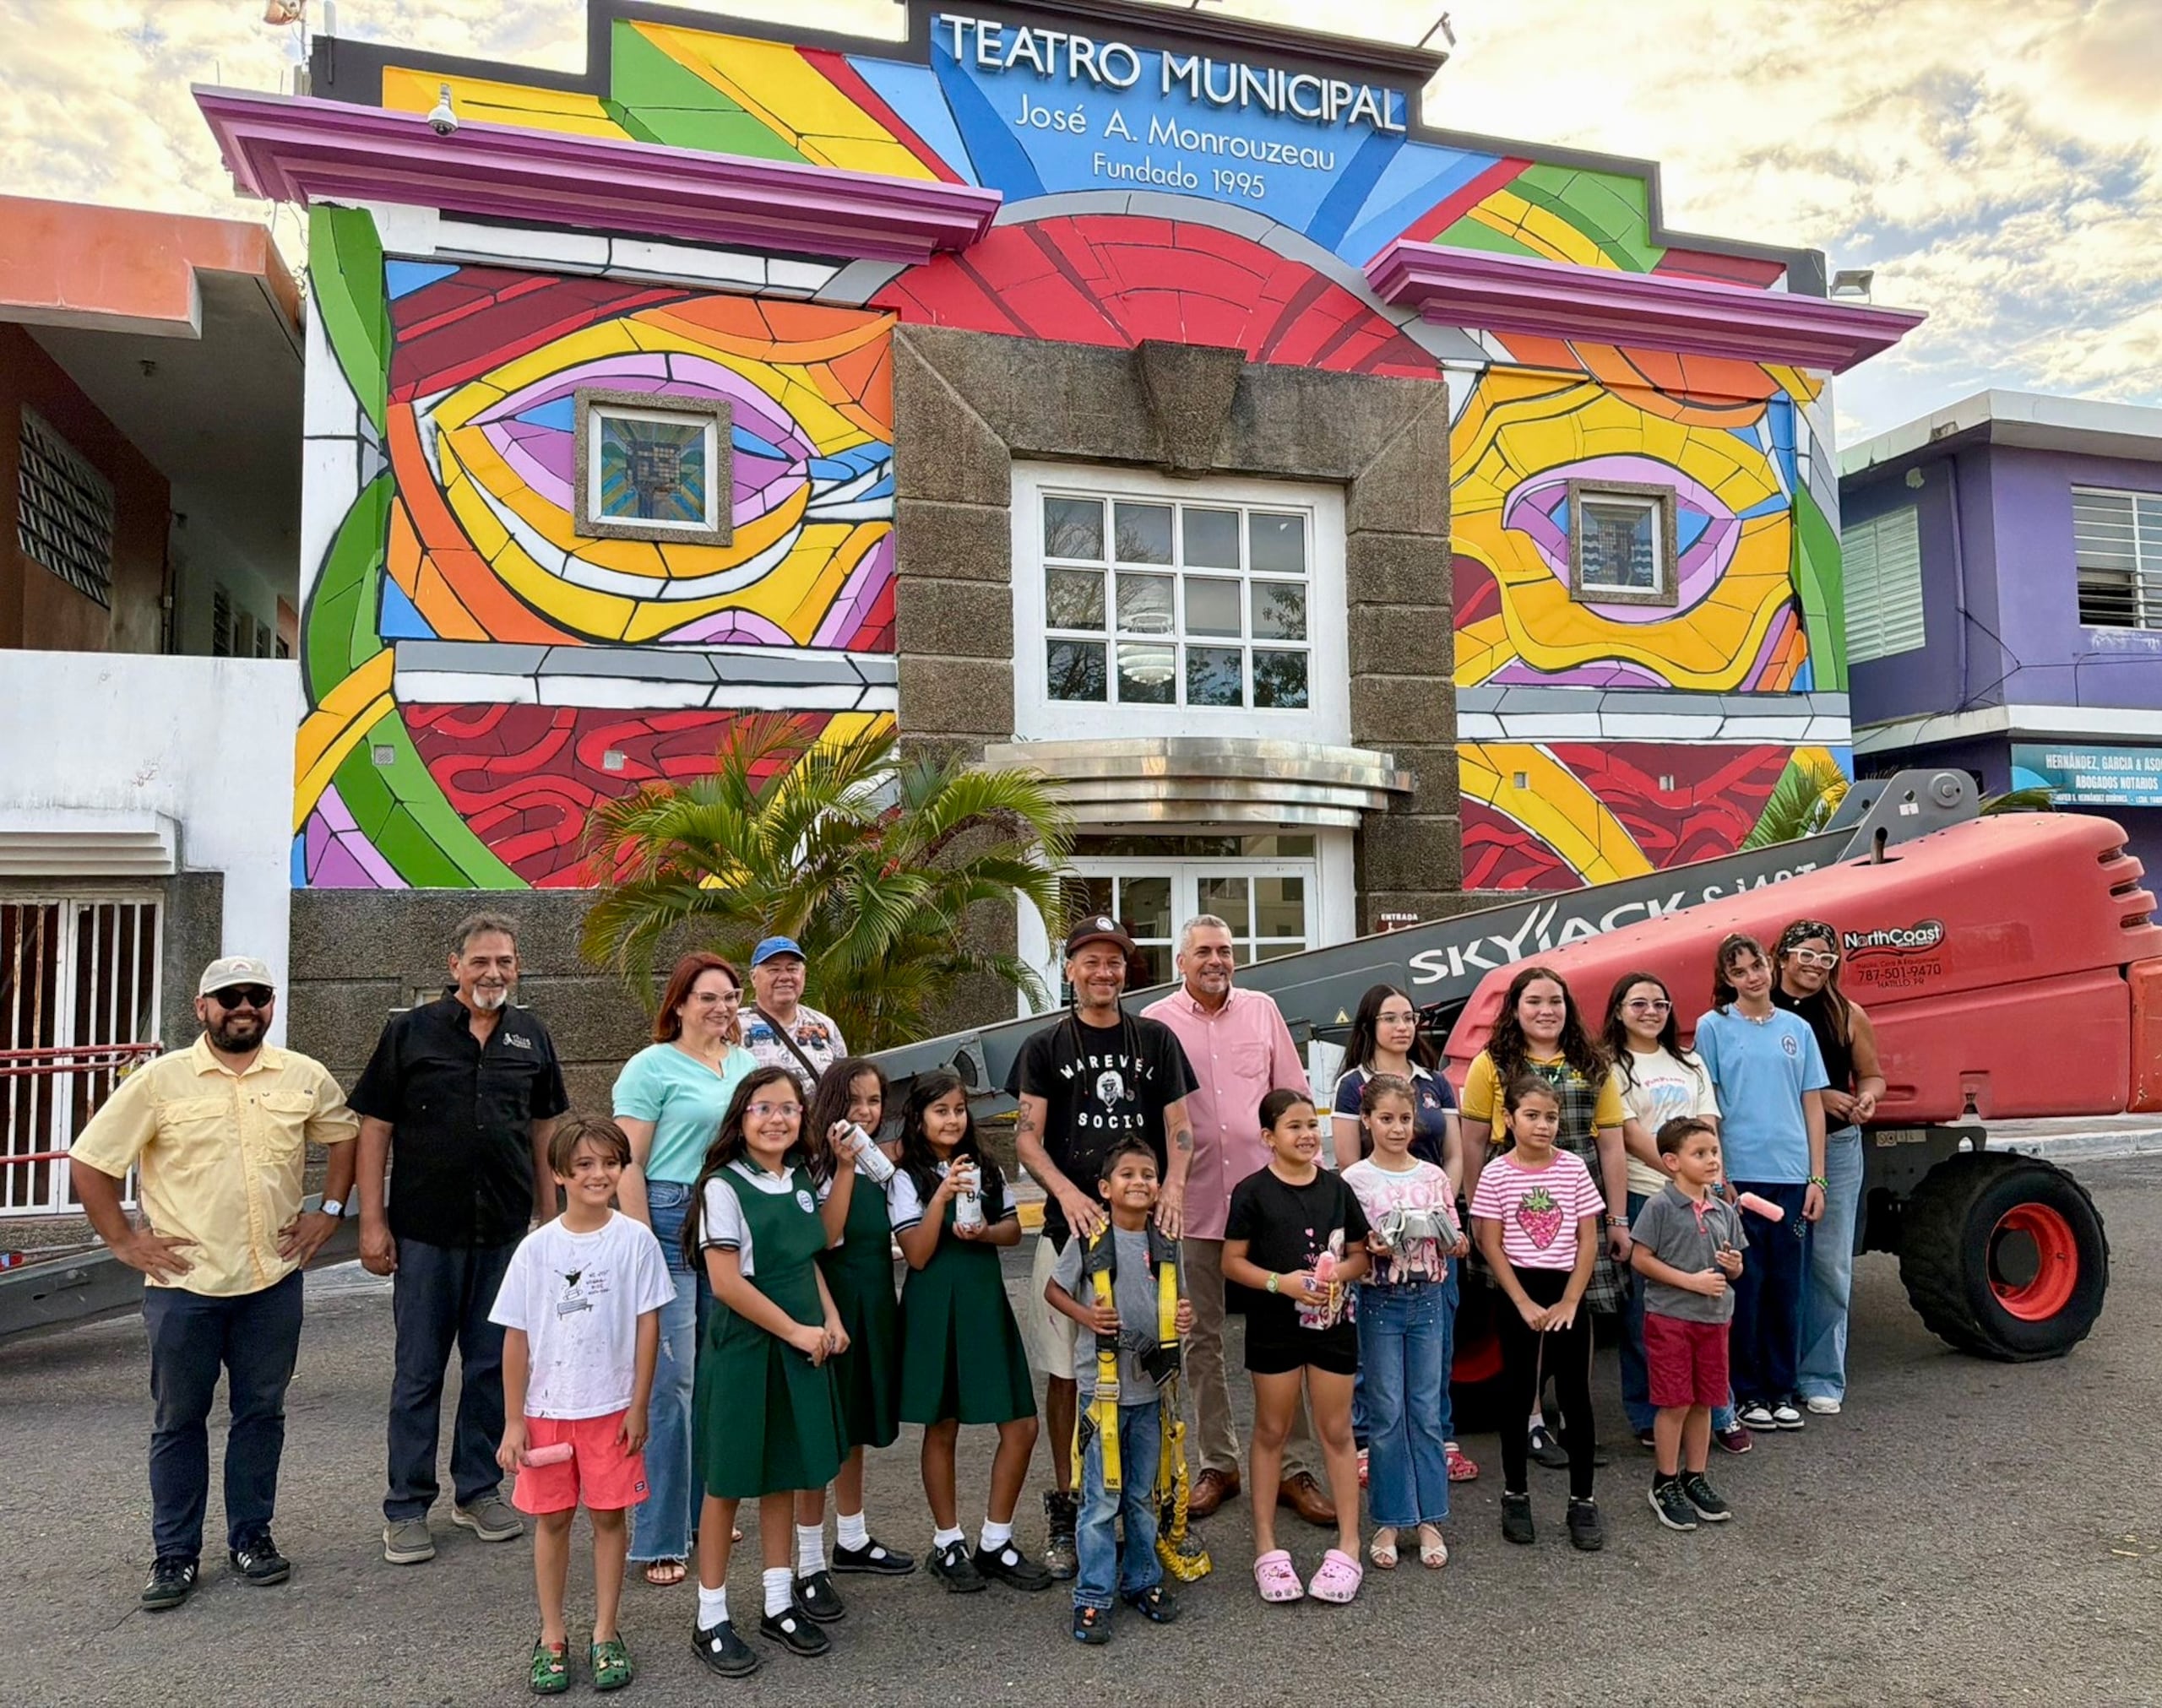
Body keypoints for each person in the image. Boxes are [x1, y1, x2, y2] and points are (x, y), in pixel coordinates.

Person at [68, 954, 357, 1612]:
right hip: (184, 1286)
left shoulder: (302, 1075)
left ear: (272, 1004)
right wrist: (122, 1241)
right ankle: (174, 1553)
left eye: (257, 995)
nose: (244, 1006)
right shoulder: (160, 1082)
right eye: (229, 996)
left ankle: (252, 1536)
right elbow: (91, 1160)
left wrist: (329, 1212)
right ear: (203, 1007)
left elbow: (345, 1134)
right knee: (179, 1420)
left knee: (262, 1414)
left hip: (271, 1281)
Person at [354, 915, 568, 1566]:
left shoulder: (531, 1037)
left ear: (517, 965)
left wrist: (552, 1222)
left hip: (503, 1235)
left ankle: (478, 1489)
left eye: (504, 961)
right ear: (455, 965)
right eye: (480, 961)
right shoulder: (409, 1033)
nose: (492, 973)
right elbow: (374, 1129)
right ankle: (407, 1504)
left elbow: (545, 1133)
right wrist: (371, 1221)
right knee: (418, 1372)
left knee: (490, 1368)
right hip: (424, 1235)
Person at [1012, 916, 1199, 1577]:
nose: (1103, 972)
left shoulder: (1155, 1039)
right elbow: (1027, 1137)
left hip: (1142, 1235)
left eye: (1114, 962)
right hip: (1073, 1233)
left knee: (1155, 1357)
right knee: (1068, 1372)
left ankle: (1146, 1500)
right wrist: (1066, 1193)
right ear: (1070, 970)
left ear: (1127, 970)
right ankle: (1070, 1502)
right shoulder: (1043, 1045)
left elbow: (1180, 1129)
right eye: (1090, 961)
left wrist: (1173, 1188)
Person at [1140, 915, 1334, 1525]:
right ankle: (1218, 1462)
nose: (1216, 960)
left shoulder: (1262, 1010)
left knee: (1286, 1328)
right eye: (1204, 951)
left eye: (1225, 950)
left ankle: (1295, 1468)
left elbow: (1294, 1095)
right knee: (1199, 1337)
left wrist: (1315, 1179)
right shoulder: (1156, 1024)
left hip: (1267, 1201)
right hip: (1190, 1203)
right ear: (1181, 962)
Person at [492, 1115, 674, 1694]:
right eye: (586, 1164)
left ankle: (605, 1630)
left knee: (609, 1516)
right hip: (548, 1411)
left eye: (610, 1162)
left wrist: (639, 1404)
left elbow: (649, 1326)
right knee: (552, 1520)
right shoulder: (535, 1249)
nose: (600, 1174)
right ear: (560, 1174)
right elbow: (515, 1336)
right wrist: (515, 1419)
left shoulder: (636, 1240)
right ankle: (551, 1633)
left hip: (612, 1407)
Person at [686, 1066, 850, 1677]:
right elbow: (727, 1283)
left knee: (784, 1471)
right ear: (741, 1115)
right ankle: (711, 1617)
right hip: (748, 1349)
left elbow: (808, 1258)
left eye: (789, 1108)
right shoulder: (723, 1187)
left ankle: (779, 1602)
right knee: (727, 1482)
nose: (778, 1118)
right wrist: (796, 1330)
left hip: (802, 1344)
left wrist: (829, 1317)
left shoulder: (801, 1178)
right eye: (764, 1108)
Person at [611, 952, 757, 1588]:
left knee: (718, 1375)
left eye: (729, 996)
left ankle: (707, 1510)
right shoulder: (650, 1066)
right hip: (668, 1218)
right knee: (671, 1384)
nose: (721, 1007)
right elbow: (626, 1161)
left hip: (729, 1214)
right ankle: (659, 1534)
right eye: (707, 997)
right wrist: (641, 1238)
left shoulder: (746, 1064)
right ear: (678, 1004)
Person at [889, 1071, 1052, 1594]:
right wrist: (941, 1196)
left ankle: (996, 1539)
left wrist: (984, 1229)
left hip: (983, 1302)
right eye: (941, 1111)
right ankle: (947, 1540)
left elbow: (1011, 1230)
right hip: (934, 1305)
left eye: (959, 1109)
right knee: (943, 1424)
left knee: (1021, 1424)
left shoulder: (988, 1167)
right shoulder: (904, 1177)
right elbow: (916, 1253)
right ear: (918, 1119)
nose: (953, 1119)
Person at [1461, 965, 1628, 1467]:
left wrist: (1617, 1220)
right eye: (1533, 1001)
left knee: (1580, 1314)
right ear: (1515, 1009)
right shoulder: (1490, 1063)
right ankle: (1531, 1421)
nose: (1545, 1011)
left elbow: (1614, 1145)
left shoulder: (1593, 1063)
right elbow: (1472, 1141)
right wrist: (1475, 1210)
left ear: (1568, 1007)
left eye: (1555, 1001)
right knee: (1523, 1313)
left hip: (1578, 1200)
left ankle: (1576, 1420)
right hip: (1512, 1200)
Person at [1045, 1139, 1195, 1644]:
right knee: (1100, 1499)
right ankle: (1093, 1594)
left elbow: (1177, 1302)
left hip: (1151, 1393)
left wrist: (1184, 1319)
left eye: (1148, 1174)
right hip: (1104, 1394)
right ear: (1105, 1189)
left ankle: (1143, 1579)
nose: (1139, 1182)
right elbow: (1054, 1289)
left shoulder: (1166, 1243)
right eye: (1127, 1175)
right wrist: (1088, 1316)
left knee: (1141, 1495)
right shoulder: (1090, 1240)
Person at [1222, 1090, 1370, 1606]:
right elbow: (1231, 1262)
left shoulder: (1336, 1189)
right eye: (1293, 1127)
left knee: (1336, 1430)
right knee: (1271, 1430)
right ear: (1268, 1137)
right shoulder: (1251, 1192)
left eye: (1313, 1124)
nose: (1307, 1135)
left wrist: (1339, 1276)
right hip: (1273, 1328)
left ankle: (1350, 1543)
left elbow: (1360, 1256)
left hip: (1332, 1324)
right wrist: (1278, 1284)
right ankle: (1266, 1544)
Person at [1328, 982, 1475, 1486]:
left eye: (1409, 1017)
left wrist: (1439, 1207)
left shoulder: (1436, 1082)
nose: (1402, 1026)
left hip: (1435, 1233)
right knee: (1377, 1341)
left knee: (1439, 1336)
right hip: (1379, 1233)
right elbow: (1348, 1163)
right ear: (1369, 1026)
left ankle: (1441, 1435)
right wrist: (1375, 1225)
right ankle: (1370, 1439)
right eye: (1391, 1018)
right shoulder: (1353, 1084)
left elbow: (1453, 1155)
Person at [1600, 971, 1752, 1456]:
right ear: (1618, 1011)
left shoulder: (1689, 1062)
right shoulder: (1610, 1066)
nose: (1650, 1012)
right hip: (1650, 1195)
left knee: (1709, 1307)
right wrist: (1673, 1170)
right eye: (1638, 1003)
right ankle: (1650, 1411)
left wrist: (1710, 1175)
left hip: (1703, 1198)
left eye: (1660, 1004)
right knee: (1649, 1315)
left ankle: (1718, 1409)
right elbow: (1626, 1133)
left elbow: (1707, 1125)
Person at [1693, 933, 1829, 1434]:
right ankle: (1747, 1392)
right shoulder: (1713, 1027)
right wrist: (1717, 1172)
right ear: (1727, 979)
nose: (1752, 977)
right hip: (1740, 1177)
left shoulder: (1797, 1028)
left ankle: (1780, 1387)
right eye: (1740, 971)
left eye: (1757, 966)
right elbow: (1709, 1103)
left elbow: (1812, 1104)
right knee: (1744, 1285)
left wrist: (1817, 1176)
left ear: (1771, 967)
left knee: (1787, 1285)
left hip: (1792, 1176)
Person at [791, 1058, 913, 1617]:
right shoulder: (816, 1165)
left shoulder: (877, 1163)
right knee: (824, 1437)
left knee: (856, 1426)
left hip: (873, 1303)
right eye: (856, 1100)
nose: (867, 1111)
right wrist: (844, 1167)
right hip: (830, 1308)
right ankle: (809, 1563)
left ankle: (854, 1537)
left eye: (875, 1100)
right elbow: (828, 1234)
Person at [1469, 1074, 1606, 1552]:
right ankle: (1515, 1493)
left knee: (1575, 1397)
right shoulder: (1497, 1172)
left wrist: (1571, 1299)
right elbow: (1490, 1241)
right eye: (1531, 1116)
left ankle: (1583, 1499)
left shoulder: (1572, 1168)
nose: (1543, 1125)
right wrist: (1521, 1300)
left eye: (1550, 1117)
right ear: (1508, 1119)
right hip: (1519, 1290)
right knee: (1517, 1392)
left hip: (1566, 1287)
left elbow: (1588, 1237)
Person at [1341, 1075, 1462, 1571]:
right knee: (1386, 1412)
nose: (1396, 1129)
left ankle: (1430, 1517)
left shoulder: (1433, 1176)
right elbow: (1346, 1247)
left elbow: (1456, 1236)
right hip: (1380, 1301)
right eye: (1386, 1119)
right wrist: (1370, 1246)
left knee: (1425, 1409)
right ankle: (1390, 1519)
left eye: (1405, 1119)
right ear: (1366, 1121)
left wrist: (1453, 1240)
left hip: (1428, 1297)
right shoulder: (1354, 1180)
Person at [1773, 919, 1885, 1416]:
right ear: (1782, 956)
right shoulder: (1758, 1010)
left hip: (1837, 1148)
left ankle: (1820, 1375)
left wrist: (1866, 1099)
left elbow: (1874, 1075)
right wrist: (1822, 1096)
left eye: (1827, 958)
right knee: (1769, 1262)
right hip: (1773, 1148)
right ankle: (1767, 1374)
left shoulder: (1847, 1013)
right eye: (1807, 955)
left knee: (1829, 1262)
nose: (1817, 966)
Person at [1627, 1116, 1746, 1535]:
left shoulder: (1724, 1211)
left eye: (1714, 1152)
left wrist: (1733, 1267)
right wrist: (1690, 1282)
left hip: (1714, 1321)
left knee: (1704, 1401)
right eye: (1700, 1154)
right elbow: (1640, 1259)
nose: (1711, 1160)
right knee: (1675, 1401)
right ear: (1672, 1162)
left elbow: (1736, 1269)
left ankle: (1695, 1476)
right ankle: (1665, 1481)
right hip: (1671, 1320)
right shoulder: (1660, 1207)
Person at [741, 936, 846, 1091]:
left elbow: (843, 1083)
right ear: (753, 978)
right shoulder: (732, 1027)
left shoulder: (824, 1025)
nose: (785, 977)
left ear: (803, 976)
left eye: (792, 969)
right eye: (774, 970)